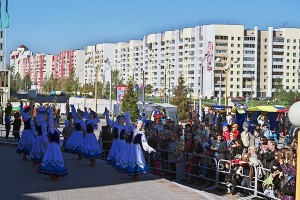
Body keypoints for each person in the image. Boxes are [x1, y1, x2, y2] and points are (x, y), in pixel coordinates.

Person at [39, 107, 68, 180]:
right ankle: (53, 173)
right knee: (53, 158)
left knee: (56, 158)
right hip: (53, 147)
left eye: (57, 123)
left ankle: (55, 173)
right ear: (54, 124)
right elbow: (50, 121)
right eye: (56, 123)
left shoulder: (55, 130)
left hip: (56, 147)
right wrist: (51, 113)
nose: (58, 124)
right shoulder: (52, 129)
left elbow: (58, 139)